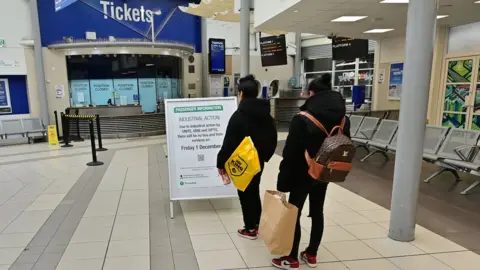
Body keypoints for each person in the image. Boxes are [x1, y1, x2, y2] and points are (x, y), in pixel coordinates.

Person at [271, 74, 351, 269]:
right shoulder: (343, 118)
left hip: (301, 174)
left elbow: (290, 153)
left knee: (294, 213)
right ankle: (312, 254)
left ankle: (291, 258)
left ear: (312, 93)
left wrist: (283, 181)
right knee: (317, 212)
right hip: (325, 172)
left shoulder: (302, 118)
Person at [217, 74, 278, 240]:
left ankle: (250, 228)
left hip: (242, 162)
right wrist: (265, 156)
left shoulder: (239, 115)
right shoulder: (266, 114)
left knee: (244, 193)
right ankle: (257, 223)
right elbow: (273, 136)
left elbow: (229, 142)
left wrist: (220, 162)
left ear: (242, 93)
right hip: (258, 162)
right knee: (254, 190)